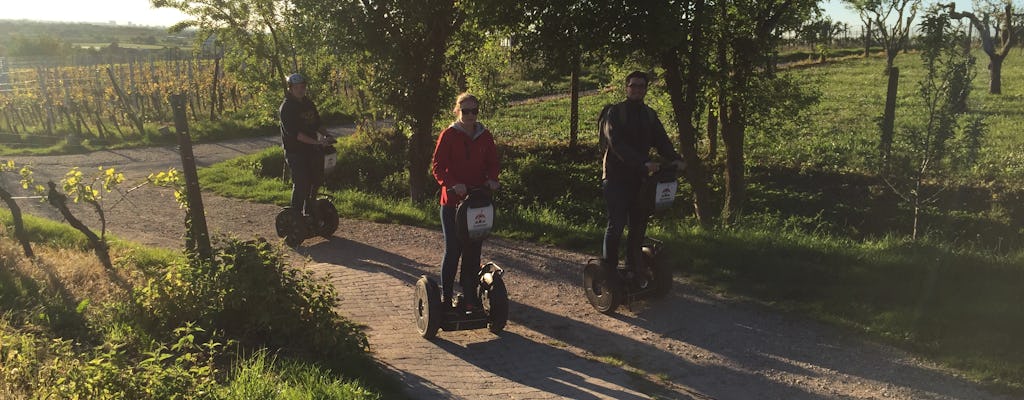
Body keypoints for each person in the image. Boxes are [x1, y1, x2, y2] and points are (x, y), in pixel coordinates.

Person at [601, 71, 686, 272]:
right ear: (626, 88)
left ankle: (633, 267)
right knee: (617, 225)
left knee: (638, 226)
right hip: (615, 178)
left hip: (640, 180)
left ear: (646, 89)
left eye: (641, 86)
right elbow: (617, 144)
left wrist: (676, 159)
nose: (637, 89)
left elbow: (662, 141)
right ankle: (608, 271)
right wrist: (643, 162)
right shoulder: (615, 113)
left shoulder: (649, 115)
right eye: (634, 85)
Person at [432, 93, 500, 309]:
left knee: (473, 251)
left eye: (474, 111)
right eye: (466, 111)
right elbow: (438, 167)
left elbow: (493, 162)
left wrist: (492, 179)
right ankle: (446, 296)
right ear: (457, 111)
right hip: (453, 203)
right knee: (453, 250)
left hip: (477, 202)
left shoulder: (484, 136)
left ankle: (469, 294)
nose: (470, 115)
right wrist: (452, 183)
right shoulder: (449, 135)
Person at [279, 73, 332, 216]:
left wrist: (327, 135)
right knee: (302, 183)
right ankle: (295, 216)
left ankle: (310, 211)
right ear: (290, 89)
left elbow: (317, 123)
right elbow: (296, 134)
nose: (300, 90)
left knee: (316, 179)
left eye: (302, 87)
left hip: (312, 149)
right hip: (295, 152)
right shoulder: (286, 108)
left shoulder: (308, 103)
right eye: (296, 87)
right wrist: (317, 142)